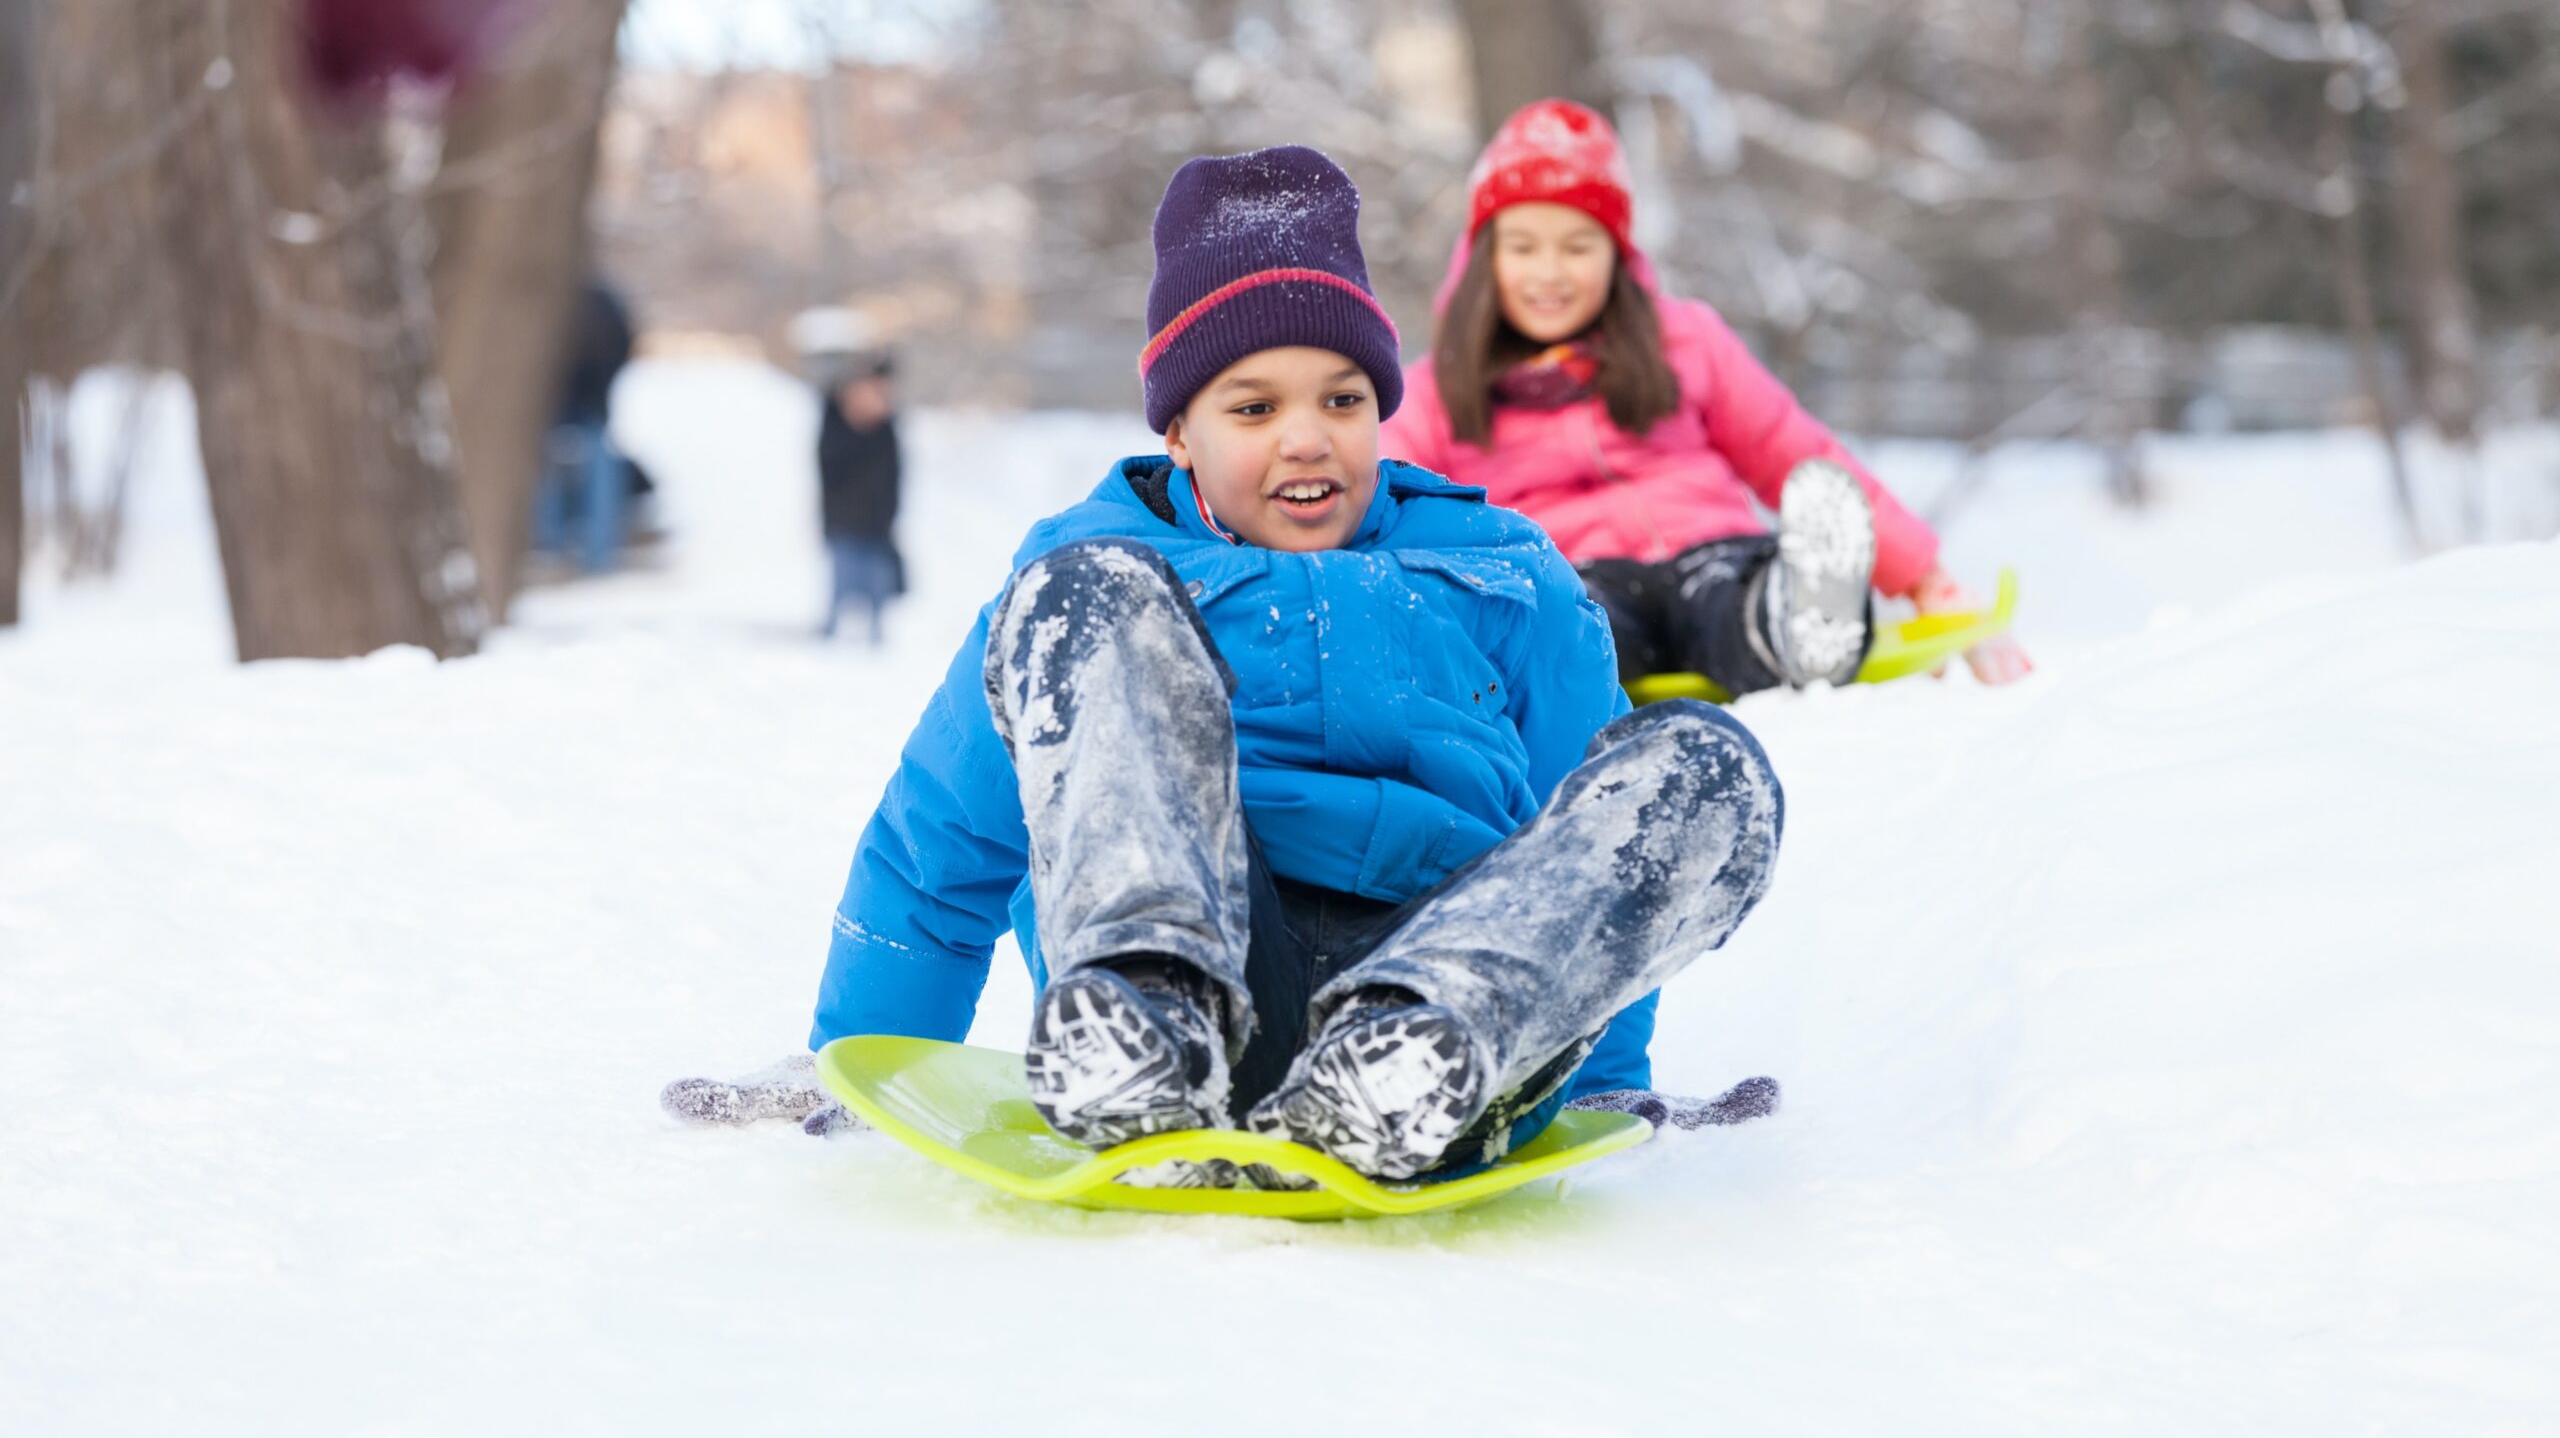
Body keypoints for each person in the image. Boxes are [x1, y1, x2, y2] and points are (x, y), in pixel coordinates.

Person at [670, 147, 1787, 1184]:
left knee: (1703, 766)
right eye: (1253, 408)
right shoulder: (1091, 575)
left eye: (1342, 401)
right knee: (1085, 593)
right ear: (1180, 434)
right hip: (1200, 969)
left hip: (1452, 998)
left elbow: (1586, 843)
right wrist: (861, 1058)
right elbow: (942, 839)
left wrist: (1600, 1082)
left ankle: (1405, 1063)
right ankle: (1143, 1026)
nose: (1307, 438)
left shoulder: (1505, 572)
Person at [1382, 99, 2031, 697]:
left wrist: (1923, 578)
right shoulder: (1441, 386)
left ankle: (1797, 618)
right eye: (1524, 247)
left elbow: (1792, 450)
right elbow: (1376, 487)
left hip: (1713, 546)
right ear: (1483, 259)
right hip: (1572, 573)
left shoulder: (1682, 340)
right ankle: (1546, 672)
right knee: (1577, 623)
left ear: (1617, 255)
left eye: (1577, 246)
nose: (1550, 271)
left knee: (1732, 598)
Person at [531, 277, 637, 576]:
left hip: (584, 404)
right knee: (558, 478)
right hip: (562, 405)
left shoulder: (598, 302)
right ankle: (569, 550)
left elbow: (621, 346)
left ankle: (589, 553)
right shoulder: (547, 300)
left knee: (588, 475)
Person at [816, 351, 904, 644]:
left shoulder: (886, 426)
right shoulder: (836, 418)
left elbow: (894, 473)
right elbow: (831, 464)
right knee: (842, 582)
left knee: (877, 584)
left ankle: (875, 636)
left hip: (878, 520)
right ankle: (830, 634)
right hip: (845, 517)